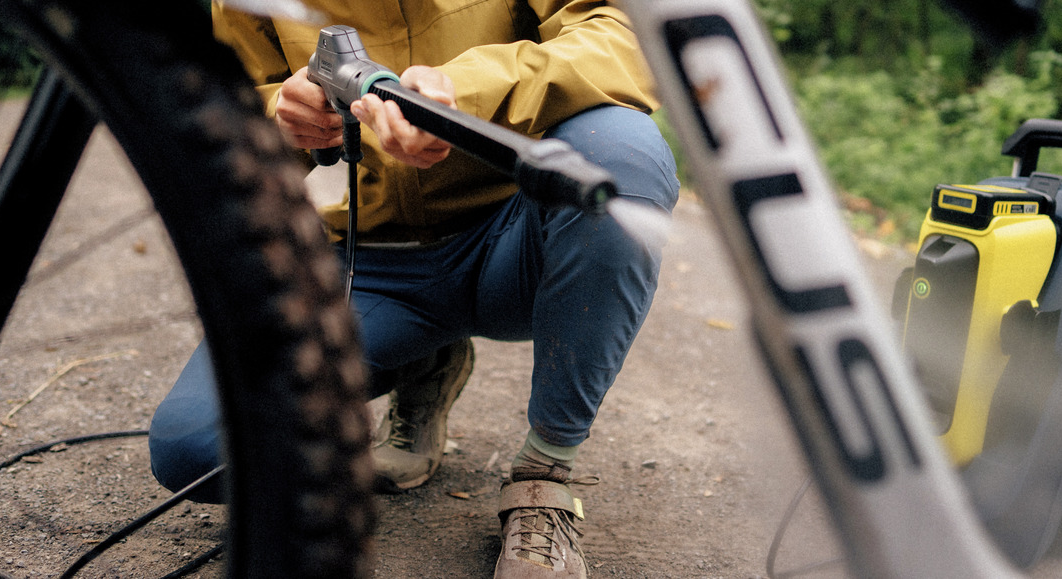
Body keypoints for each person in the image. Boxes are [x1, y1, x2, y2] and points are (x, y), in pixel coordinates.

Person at [147, 2, 679, 577]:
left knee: (623, 150)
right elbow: (216, 121)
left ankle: (544, 476)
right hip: (369, 265)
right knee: (196, 449)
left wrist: (464, 94)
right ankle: (425, 361)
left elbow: (624, 36)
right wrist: (280, 119)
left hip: (517, 240)